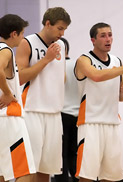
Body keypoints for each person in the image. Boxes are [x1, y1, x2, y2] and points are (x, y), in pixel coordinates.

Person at [74, 22, 123, 182]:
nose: (108, 39)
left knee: (111, 176)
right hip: (90, 123)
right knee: (87, 176)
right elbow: (96, 75)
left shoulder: (117, 60)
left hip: (112, 123)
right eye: (103, 35)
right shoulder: (84, 60)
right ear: (93, 40)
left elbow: (119, 96)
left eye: (110, 35)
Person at [15, 7, 71, 182]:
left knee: (46, 169)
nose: (62, 33)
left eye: (64, 30)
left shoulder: (60, 45)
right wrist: (46, 59)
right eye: (59, 28)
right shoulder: (28, 43)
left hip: (54, 114)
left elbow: (60, 78)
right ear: (48, 23)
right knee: (29, 167)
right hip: (32, 111)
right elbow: (20, 77)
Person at [0, 14, 36, 182]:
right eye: (22, 34)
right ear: (14, 34)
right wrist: (8, 93)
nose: (23, 38)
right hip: (9, 118)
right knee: (25, 172)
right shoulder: (5, 50)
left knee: (3, 173)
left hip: (3, 118)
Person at [54, 37, 79, 182]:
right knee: (74, 155)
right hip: (78, 116)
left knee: (60, 156)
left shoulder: (56, 67)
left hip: (62, 115)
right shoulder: (79, 64)